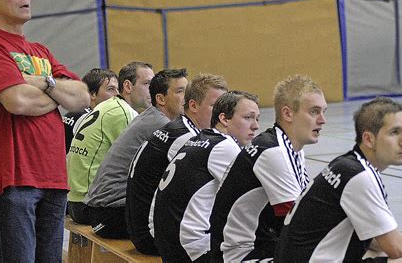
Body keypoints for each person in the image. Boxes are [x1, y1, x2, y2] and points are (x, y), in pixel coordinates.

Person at [0, 0, 90, 262]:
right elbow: (16, 101)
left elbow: (81, 97)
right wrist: (54, 89)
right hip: (12, 182)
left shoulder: (40, 51)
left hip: (53, 179)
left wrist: (40, 81)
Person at [278, 97, 402, 262]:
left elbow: (379, 241)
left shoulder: (347, 165)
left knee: (376, 251)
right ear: (368, 139)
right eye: (394, 132)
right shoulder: (360, 176)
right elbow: (397, 248)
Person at [208, 75, 327, 262]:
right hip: (240, 256)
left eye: (323, 112)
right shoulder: (273, 152)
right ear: (288, 114)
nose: (322, 120)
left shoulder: (287, 147)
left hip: (260, 246)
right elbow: (298, 225)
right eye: (314, 112)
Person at [152, 91, 260, 262]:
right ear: (224, 119)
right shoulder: (225, 147)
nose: (255, 126)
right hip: (189, 250)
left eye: (257, 119)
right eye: (248, 118)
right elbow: (253, 198)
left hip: (169, 242)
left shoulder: (198, 139)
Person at [126, 73, 228, 255]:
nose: (223, 114)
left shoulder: (178, 127)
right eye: (215, 106)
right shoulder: (187, 138)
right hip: (150, 235)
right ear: (194, 105)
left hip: (139, 226)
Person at [83, 68, 188, 239]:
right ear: (160, 99)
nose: (187, 97)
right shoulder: (162, 126)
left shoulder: (150, 116)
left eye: (187, 91)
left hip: (99, 210)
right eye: (180, 91)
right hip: (110, 214)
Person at [66, 63, 154, 225]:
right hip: (88, 204)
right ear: (127, 86)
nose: (153, 89)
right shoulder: (123, 113)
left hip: (74, 200)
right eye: (147, 84)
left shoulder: (109, 105)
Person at [63, 68, 119, 153]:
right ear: (92, 94)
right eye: (110, 89)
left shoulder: (74, 112)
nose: (117, 94)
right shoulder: (88, 118)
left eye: (117, 89)